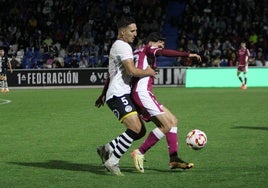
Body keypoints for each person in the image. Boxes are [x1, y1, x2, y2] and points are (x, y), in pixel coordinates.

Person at [130, 32, 201, 173]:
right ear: (151, 43)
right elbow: (166, 53)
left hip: (143, 93)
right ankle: (140, 152)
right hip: (142, 93)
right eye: (159, 45)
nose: (161, 48)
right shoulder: (148, 49)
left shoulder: (138, 52)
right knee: (166, 125)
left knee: (173, 121)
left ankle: (174, 158)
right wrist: (187, 54)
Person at [95, 16, 155, 176]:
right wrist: (148, 72)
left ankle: (107, 149)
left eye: (136, 30)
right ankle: (112, 161)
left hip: (120, 93)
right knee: (135, 128)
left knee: (140, 130)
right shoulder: (122, 46)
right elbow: (131, 71)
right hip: (117, 94)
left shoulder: (121, 46)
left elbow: (111, 74)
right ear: (122, 32)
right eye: (132, 30)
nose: (135, 33)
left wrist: (102, 94)